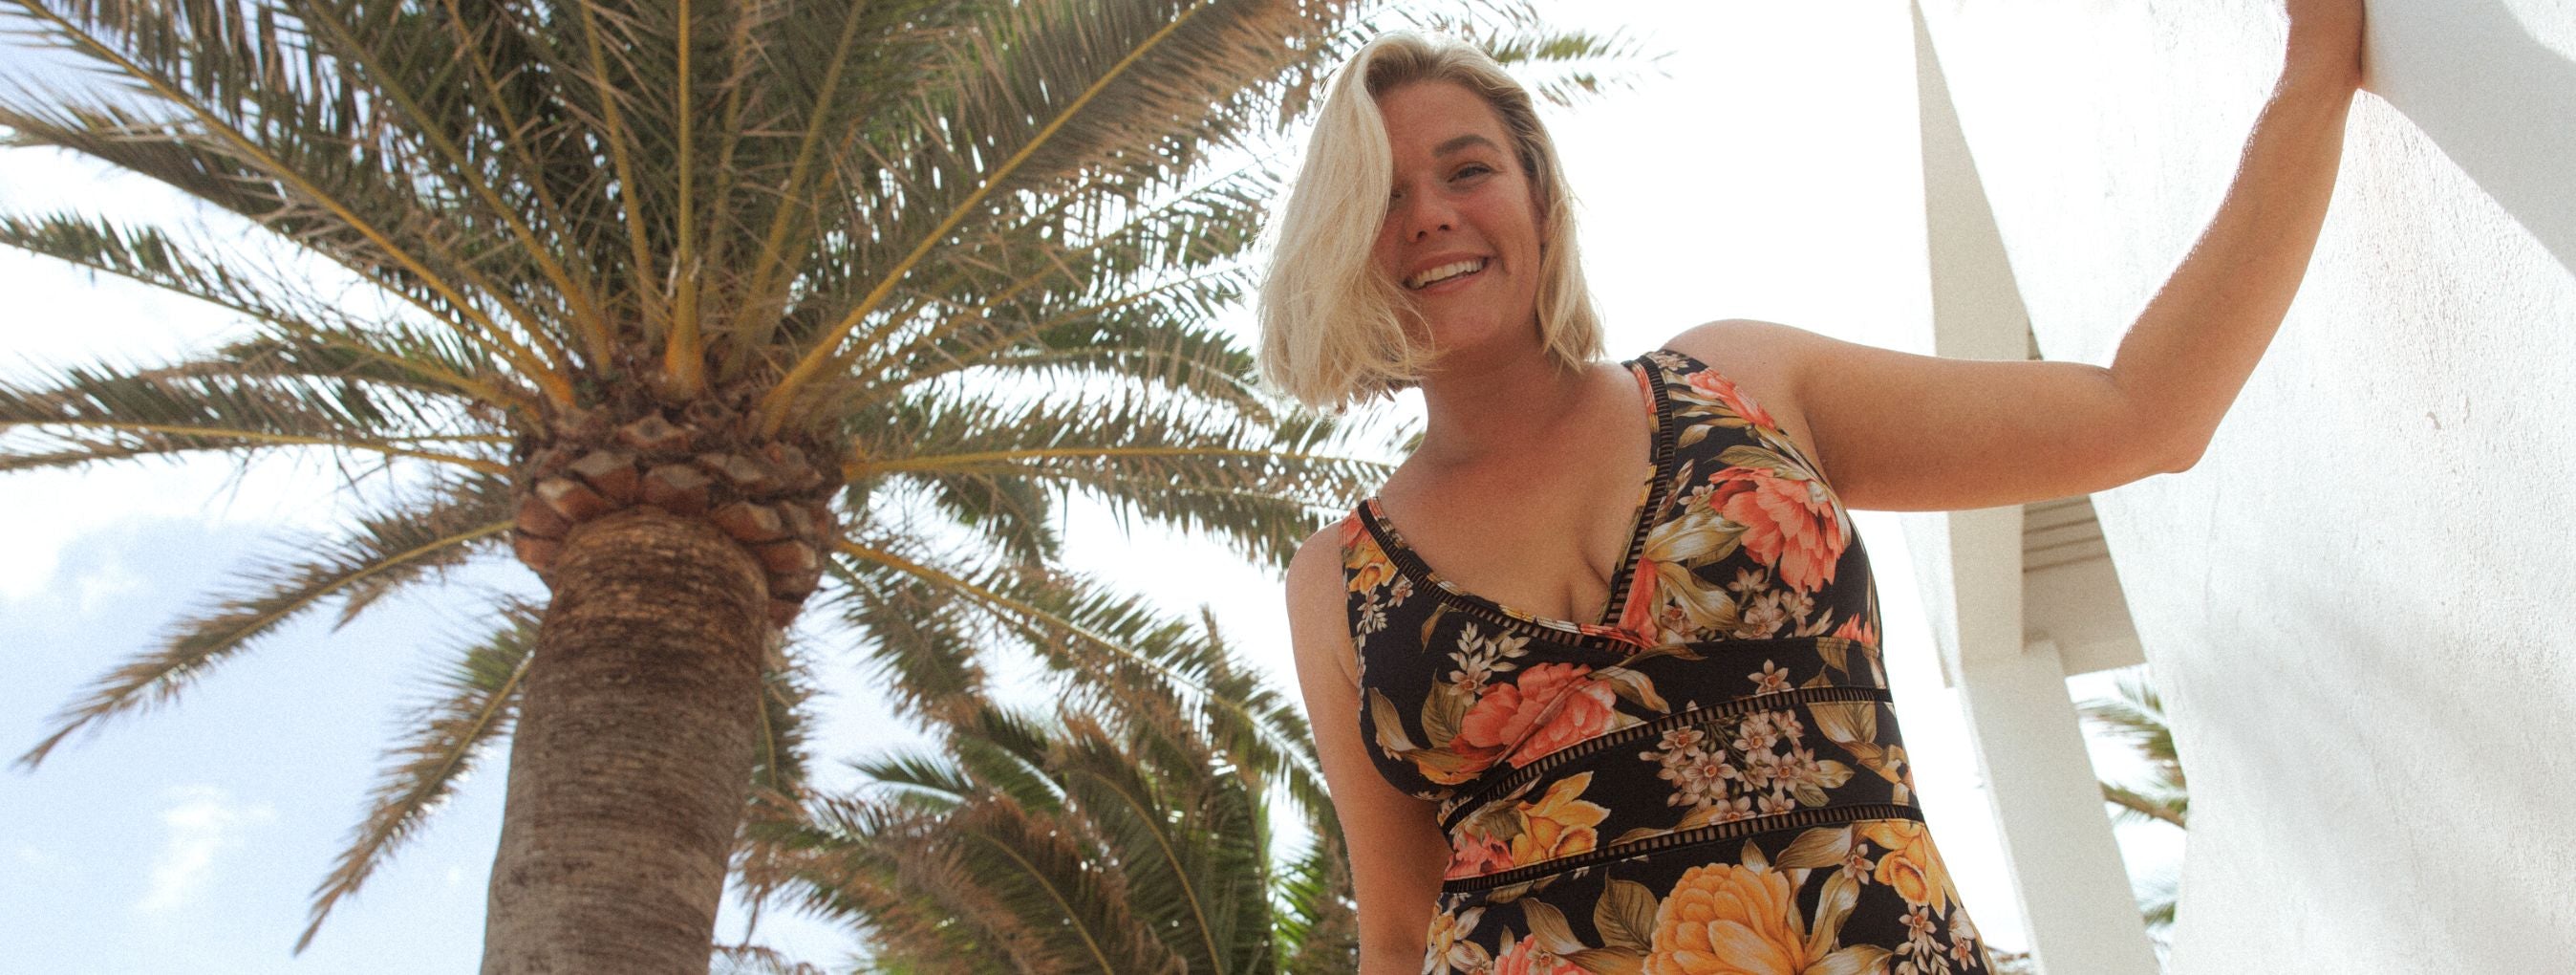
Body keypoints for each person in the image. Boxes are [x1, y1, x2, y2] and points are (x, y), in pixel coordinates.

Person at [1256, 3, 2363, 972]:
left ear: (1539, 200)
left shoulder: (1739, 385)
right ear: (1343, 244)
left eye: (1466, 168)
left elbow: (2143, 414)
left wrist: (2312, 68)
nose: (1431, 213)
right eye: (1384, 194)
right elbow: (1397, 938)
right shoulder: (1338, 581)